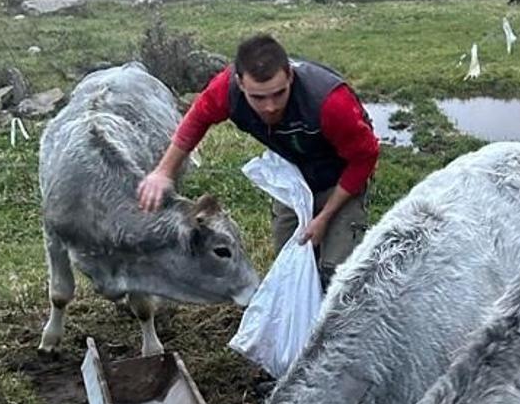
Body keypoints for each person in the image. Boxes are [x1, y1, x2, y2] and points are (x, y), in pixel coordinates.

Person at [137, 33, 379, 289]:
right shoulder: (226, 90)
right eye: (258, 98)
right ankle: (298, 323)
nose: (270, 107)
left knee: (337, 273)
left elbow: (365, 158)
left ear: (290, 76)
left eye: (279, 93)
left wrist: (324, 217)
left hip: (340, 176)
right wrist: (163, 172)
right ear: (240, 83)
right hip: (295, 176)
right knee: (291, 263)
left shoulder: (330, 103)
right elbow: (197, 119)